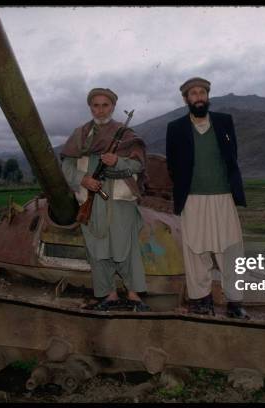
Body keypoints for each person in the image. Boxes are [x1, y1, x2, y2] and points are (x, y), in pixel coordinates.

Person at [60, 88, 150, 312]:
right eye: (96, 105)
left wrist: (117, 161)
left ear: (113, 107)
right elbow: (67, 166)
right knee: (97, 248)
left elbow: (138, 164)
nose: (100, 110)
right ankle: (108, 295)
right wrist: (84, 180)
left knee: (126, 247)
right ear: (90, 107)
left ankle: (133, 295)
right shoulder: (80, 134)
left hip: (120, 200)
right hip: (90, 200)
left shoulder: (126, 134)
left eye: (105, 105)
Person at [165, 77, 248, 319]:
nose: (199, 97)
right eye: (193, 94)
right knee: (195, 251)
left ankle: (235, 302)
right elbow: (172, 164)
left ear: (208, 96)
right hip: (192, 198)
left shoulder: (224, 122)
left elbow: (232, 157)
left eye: (202, 93)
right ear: (186, 99)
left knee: (231, 249)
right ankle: (201, 300)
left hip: (223, 196)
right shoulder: (176, 128)